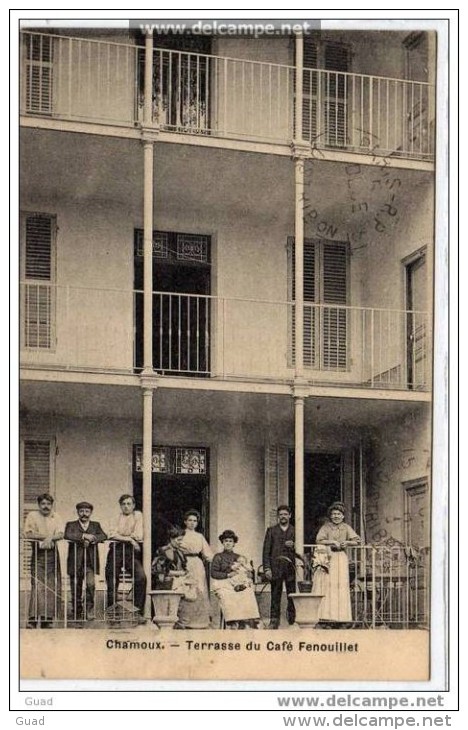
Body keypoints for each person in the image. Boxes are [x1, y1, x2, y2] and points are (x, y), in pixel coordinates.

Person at [313, 501, 361, 627]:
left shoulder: (346, 527)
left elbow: (357, 541)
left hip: (341, 558)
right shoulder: (326, 527)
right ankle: (326, 617)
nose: (336, 516)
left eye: (338, 514)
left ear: (343, 516)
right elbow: (319, 539)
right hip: (329, 558)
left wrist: (347, 543)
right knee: (328, 586)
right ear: (330, 515)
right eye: (334, 514)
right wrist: (331, 542)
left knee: (340, 586)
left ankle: (341, 618)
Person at [23, 493, 64, 628]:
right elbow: (28, 533)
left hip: (52, 553)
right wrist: (47, 537)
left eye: (48, 504)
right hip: (38, 553)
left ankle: (47, 619)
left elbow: (61, 534)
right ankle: (33, 619)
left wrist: (51, 539)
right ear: (39, 505)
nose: (46, 506)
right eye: (43, 504)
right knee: (37, 584)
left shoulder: (56, 516)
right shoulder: (32, 516)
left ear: (52, 505)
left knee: (51, 585)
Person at [105, 494, 147, 623]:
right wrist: (129, 538)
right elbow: (111, 534)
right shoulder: (116, 517)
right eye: (123, 504)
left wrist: (123, 536)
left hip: (130, 551)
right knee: (112, 580)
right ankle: (112, 613)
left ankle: (137, 612)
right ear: (120, 506)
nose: (126, 506)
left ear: (134, 506)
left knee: (141, 577)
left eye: (129, 504)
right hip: (116, 549)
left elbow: (139, 535)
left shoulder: (138, 516)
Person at [64, 502, 107, 621]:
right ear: (77, 512)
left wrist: (93, 538)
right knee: (75, 587)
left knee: (91, 585)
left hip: (90, 563)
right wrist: (84, 536)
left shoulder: (95, 525)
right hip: (75, 562)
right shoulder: (71, 524)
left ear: (91, 513)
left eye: (87, 511)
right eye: (81, 511)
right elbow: (67, 535)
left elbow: (104, 535)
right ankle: (77, 610)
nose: (84, 514)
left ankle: (89, 610)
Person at [211, 529, 260, 629]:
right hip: (223, 582)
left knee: (247, 592)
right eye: (226, 541)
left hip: (238, 582)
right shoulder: (218, 556)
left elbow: (246, 570)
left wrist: (247, 573)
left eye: (230, 541)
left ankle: (247, 620)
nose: (228, 543)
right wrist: (228, 575)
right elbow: (213, 573)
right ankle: (232, 621)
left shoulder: (239, 557)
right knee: (228, 595)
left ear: (234, 543)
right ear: (222, 542)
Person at [176, 509, 213, 629]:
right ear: (185, 522)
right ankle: (184, 621)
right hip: (184, 563)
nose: (192, 523)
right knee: (186, 590)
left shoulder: (199, 536)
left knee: (199, 590)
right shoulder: (181, 535)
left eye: (195, 521)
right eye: (190, 520)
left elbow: (208, 554)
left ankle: (199, 621)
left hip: (197, 564)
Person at [262, 505, 296, 629]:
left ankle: (292, 620)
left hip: (290, 568)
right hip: (275, 568)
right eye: (281, 514)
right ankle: (274, 621)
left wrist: (294, 545)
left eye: (285, 514)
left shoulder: (295, 530)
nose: (283, 516)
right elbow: (266, 551)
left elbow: (300, 550)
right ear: (278, 516)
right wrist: (267, 568)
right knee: (275, 595)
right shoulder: (271, 531)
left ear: (290, 516)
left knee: (292, 595)